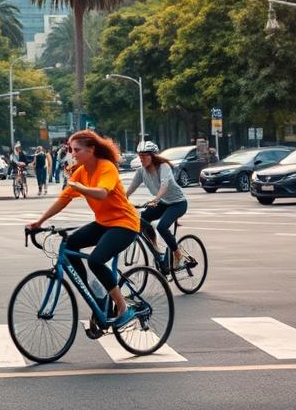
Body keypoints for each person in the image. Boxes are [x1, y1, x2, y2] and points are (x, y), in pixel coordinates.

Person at [28, 129, 141, 331]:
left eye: (77, 150)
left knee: (96, 260)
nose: (73, 154)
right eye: (71, 150)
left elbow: (102, 194)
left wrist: (80, 188)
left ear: (92, 149)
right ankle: (99, 299)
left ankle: (123, 308)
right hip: (104, 222)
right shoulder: (81, 172)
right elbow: (63, 199)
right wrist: (40, 221)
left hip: (124, 224)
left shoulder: (107, 168)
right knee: (70, 245)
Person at [125, 141, 190, 270]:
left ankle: (179, 256)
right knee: (141, 221)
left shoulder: (163, 167)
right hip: (163, 203)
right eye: (140, 156)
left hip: (178, 203)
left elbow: (164, 185)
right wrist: (121, 200)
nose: (141, 159)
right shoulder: (141, 171)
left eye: (144, 156)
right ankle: (156, 250)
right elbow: (130, 189)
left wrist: (155, 199)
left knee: (162, 227)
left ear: (153, 156)